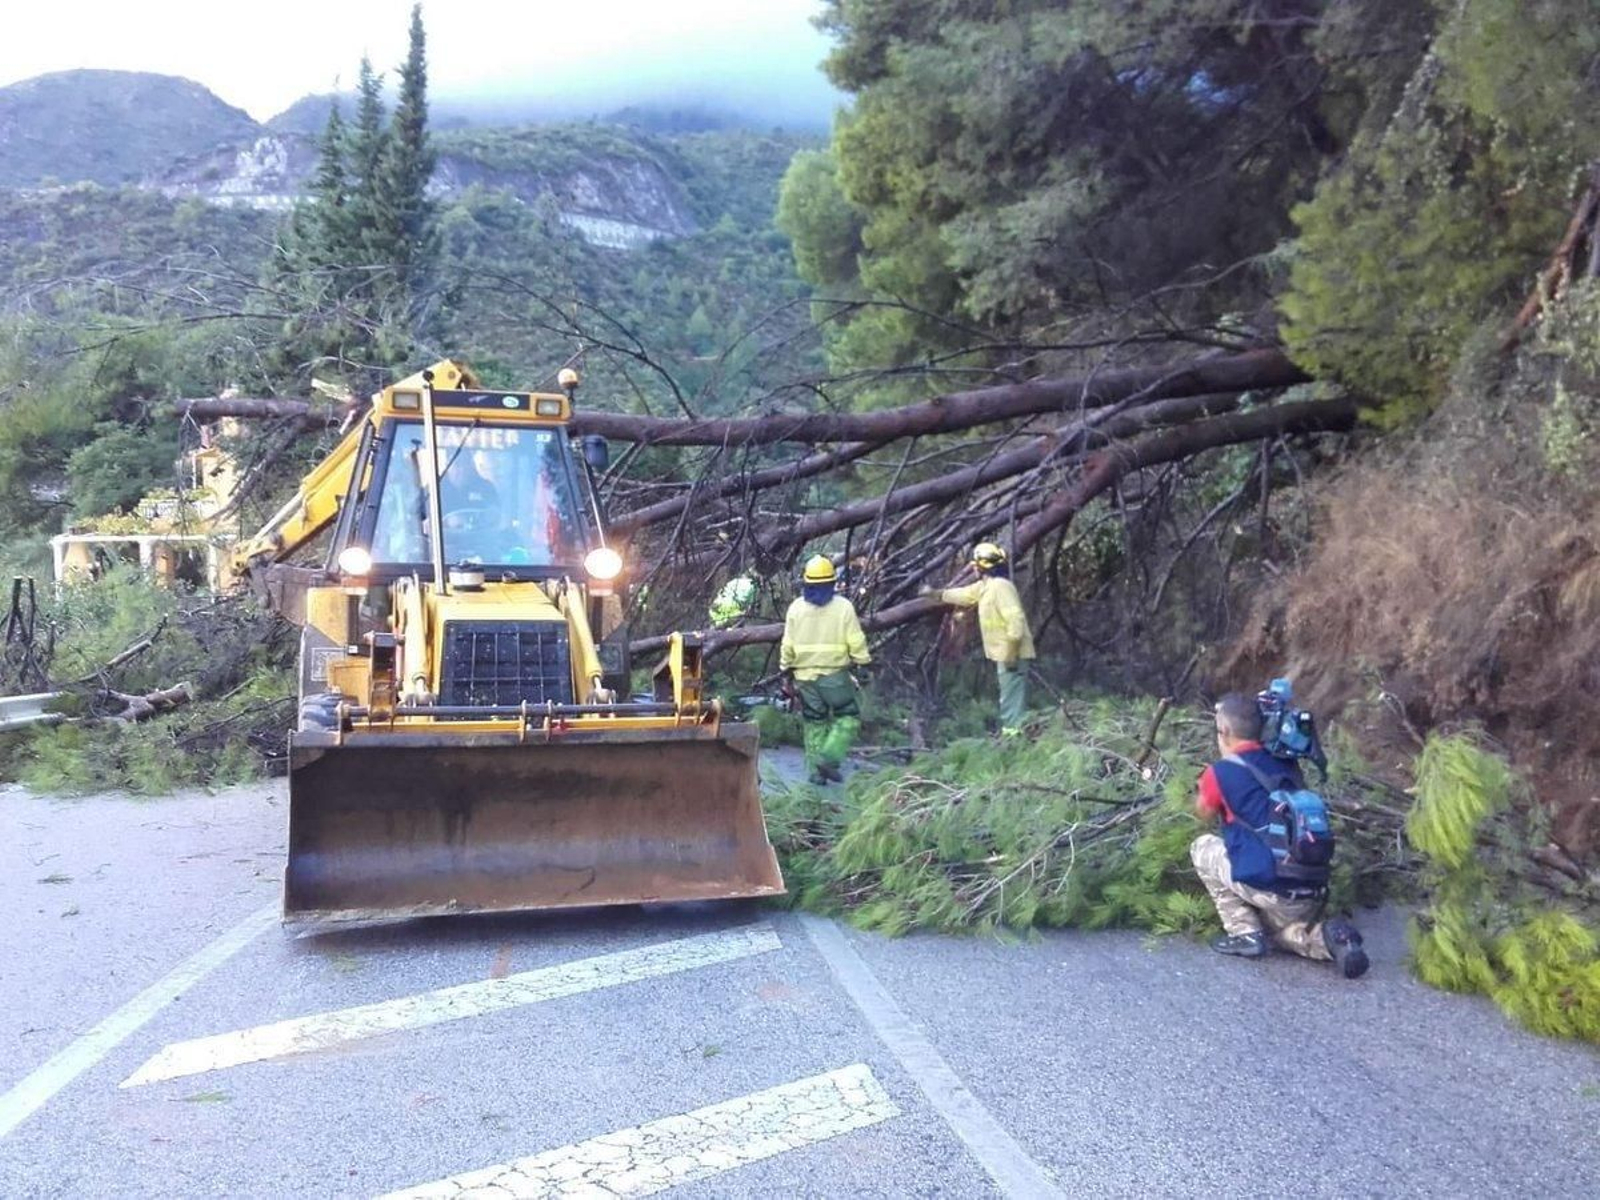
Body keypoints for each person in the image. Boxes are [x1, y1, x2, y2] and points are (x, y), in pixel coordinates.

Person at [1192, 693, 1369, 978]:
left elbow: (1202, 813)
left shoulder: (1220, 772)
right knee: (1280, 935)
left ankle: (1244, 932)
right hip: (1309, 887)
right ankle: (1331, 939)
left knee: (1202, 847)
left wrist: (1206, 785)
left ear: (1223, 732)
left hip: (1270, 887)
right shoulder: (1287, 762)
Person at [926, 542, 1035, 736]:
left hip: (1012, 653)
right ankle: (1013, 736)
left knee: (1011, 700)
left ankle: (1013, 740)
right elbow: (964, 595)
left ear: (982, 566)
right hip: (1006, 653)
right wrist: (936, 594)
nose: (973, 568)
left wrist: (1010, 652)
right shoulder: (986, 586)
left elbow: (1015, 619)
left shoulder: (1001, 587)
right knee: (1009, 697)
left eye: (975, 565)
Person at [780, 555, 870, 785]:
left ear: (806, 582)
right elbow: (856, 641)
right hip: (835, 677)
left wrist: (785, 672)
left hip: (804, 678)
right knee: (848, 718)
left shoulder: (795, 608)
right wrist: (863, 663)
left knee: (814, 723)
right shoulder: (844, 608)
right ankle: (828, 760)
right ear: (832, 582)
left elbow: (787, 645)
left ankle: (815, 776)